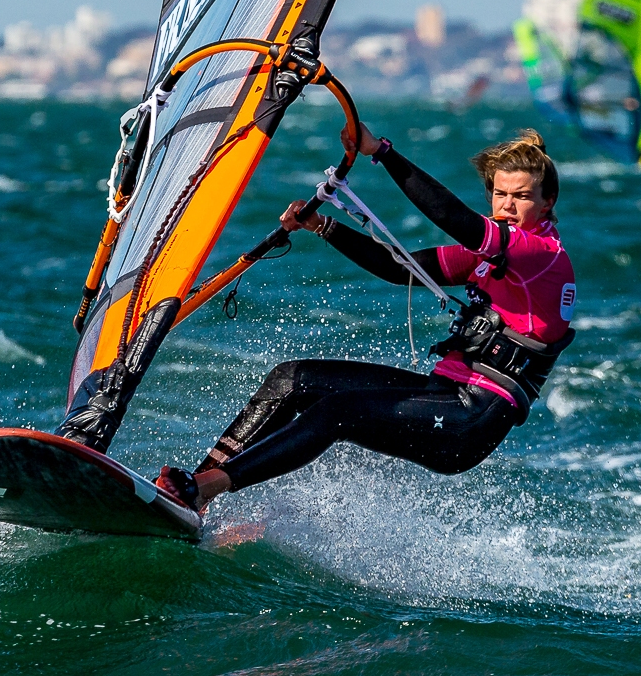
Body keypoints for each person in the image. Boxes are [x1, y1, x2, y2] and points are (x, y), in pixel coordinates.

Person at [156, 124, 577, 513]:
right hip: (445, 392)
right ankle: (193, 492)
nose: (507, 205)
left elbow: (454, 219)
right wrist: (323, 226)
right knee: (291, 379)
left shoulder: (540, 255)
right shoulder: (492, 255)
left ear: (548, 202)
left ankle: (203, 488)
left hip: (473, 417)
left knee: (336, 411)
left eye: (522, 197)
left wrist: (381, 152)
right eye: (500, 194)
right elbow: (399, 268)